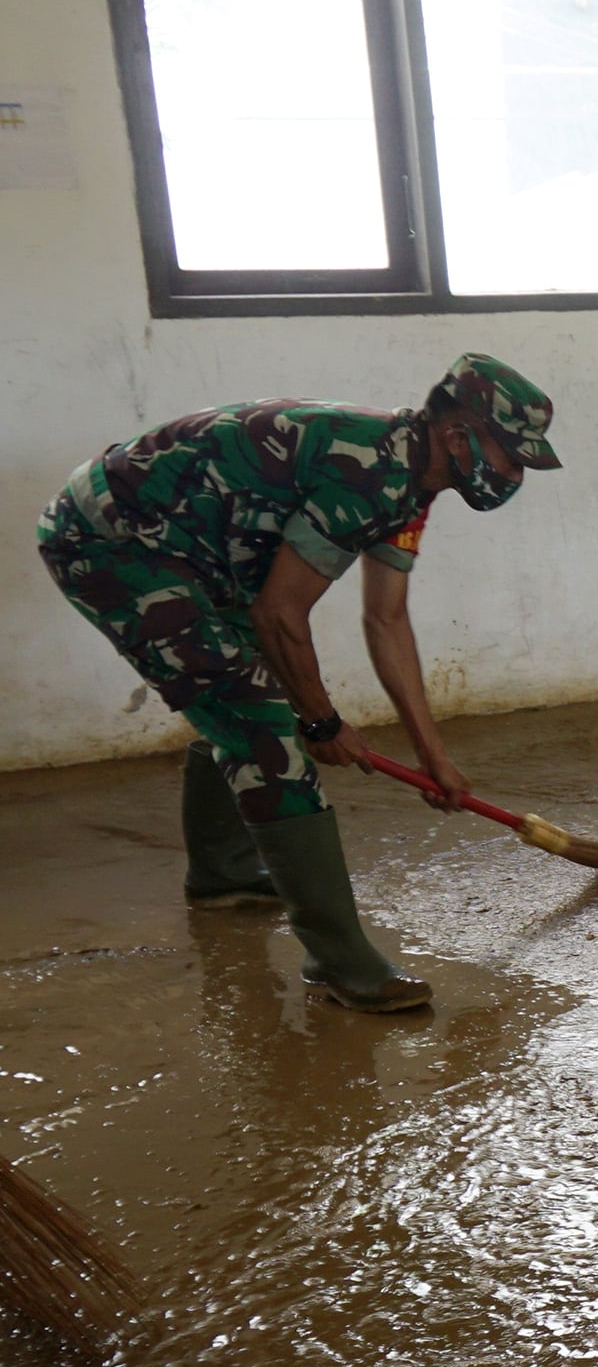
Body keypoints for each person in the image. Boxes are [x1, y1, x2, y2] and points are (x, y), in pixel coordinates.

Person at [35, 355, 561, 1012]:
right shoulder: (368, 472)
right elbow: (281, 614)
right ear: (458, 437)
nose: (516, 475)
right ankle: (340, 962)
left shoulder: (410, 484)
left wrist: (434, 755)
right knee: (257, 717)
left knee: (243, 696)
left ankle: (224, 873)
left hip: (195, 547)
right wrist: (320, 722)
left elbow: (387, 619)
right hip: (111, 541)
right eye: (512, 456)